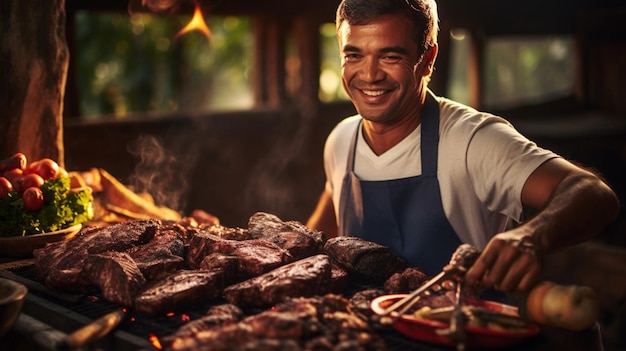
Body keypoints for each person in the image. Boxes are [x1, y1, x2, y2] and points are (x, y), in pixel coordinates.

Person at [306, 0, 620, 293]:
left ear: (427, 61)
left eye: (390, 56)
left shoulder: (472, 140)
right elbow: (320, 235)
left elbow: (594, 193)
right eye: (354, 55)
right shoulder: (342, 141)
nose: (370, 74)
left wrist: (532, 236)